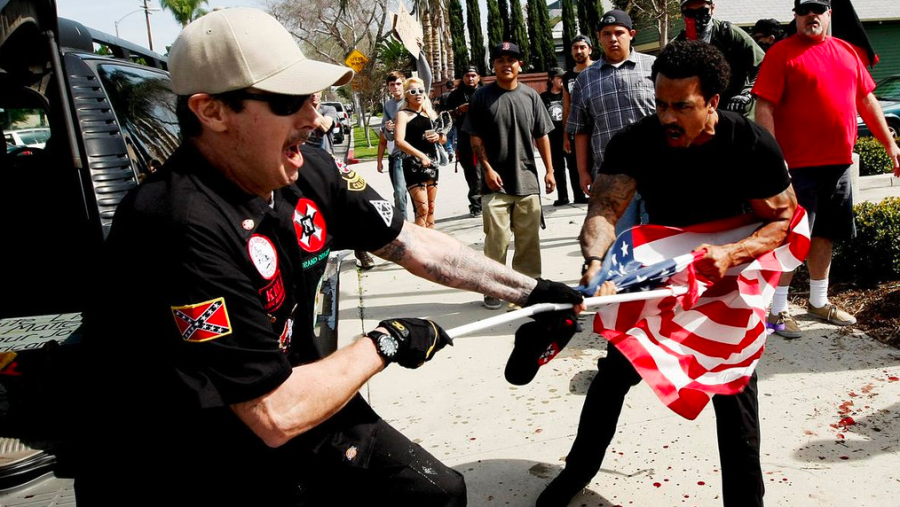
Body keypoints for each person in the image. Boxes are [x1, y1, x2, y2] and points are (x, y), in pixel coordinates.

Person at [74, 8, 584, 505]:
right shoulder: (179, 223)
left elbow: (410, 242)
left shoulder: (308, 171)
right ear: (212, 111)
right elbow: (274, 415)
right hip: (183, 452)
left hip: (286, 386)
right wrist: (384, 342)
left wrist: (531, 292)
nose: (314, 118)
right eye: (288, 100)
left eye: (312, 97)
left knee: (436, 492)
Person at [538, 40, 797, 507]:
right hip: (662, 273)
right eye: (660, 104)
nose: (667, 117)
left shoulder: (750, 143)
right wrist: (596, 263)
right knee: (616, 372)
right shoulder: (637, 140)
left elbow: (784, 219)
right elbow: (604, 207)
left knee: (734, 392)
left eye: (682, 106)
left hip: (731, 280)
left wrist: (733, 252)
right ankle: (576, 473)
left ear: (713, 102)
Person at [753, 0, 900, 338]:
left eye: (818, 8)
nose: (811, 15)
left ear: (829, 13)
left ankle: (819, 302)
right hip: (796, 169)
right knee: (791, 239)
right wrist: (774, 160)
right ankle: (777, 310)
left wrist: (890, 144)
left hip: (838, 164)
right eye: (804, 9)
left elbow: (866, 100)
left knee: (825, 235)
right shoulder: (781, 53)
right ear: (796, 15)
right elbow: (765, 107)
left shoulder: (846, 51)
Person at [463, 42, 555, 310]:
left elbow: (542, 135)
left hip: (527, 180)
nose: (506, 64)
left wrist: (549, 170)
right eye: (500, 59)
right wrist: (486, 168)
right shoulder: (481, 97)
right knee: (497, 239)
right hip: (495, 183)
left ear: (519, 65)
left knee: (528, 241)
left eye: (511, 59)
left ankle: (527, 288)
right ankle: (493, 289)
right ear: (493, 65)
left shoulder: (531, 96)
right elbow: (475, 136)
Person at [567, 10, 655, 235]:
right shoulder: (585, 79)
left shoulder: (655, 68)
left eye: (619, 32)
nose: (613, 39)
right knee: (619, 243)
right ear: (599, 38)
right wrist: (583, 171)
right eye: (606, 34)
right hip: (609, 176)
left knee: (656, 242)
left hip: (654, 171)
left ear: (632, 34)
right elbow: (581, 129)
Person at [675, 0, 765, 118]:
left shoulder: (728, 33)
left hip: (736, 112)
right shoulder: (679, 45)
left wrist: (747, 93)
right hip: (700, 116)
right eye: (690, 12)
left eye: (703, 10)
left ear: (712, 8)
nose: (697, 16)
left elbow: (763, 63)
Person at [395, 77, 444, 229]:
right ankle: (417, 247)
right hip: (413, 164)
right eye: (413, 91)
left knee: (431, 208)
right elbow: (399, 141)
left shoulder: (430, 114)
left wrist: (438, 137)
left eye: (421, 91)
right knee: (422, 209)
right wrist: (420, 155)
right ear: (406, 95)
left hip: (431, 163)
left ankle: (431, 244)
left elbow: (443, 138)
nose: (418, 94)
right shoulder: (402, 114)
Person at [445, 66, 483, 217]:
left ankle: (484, 202)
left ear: (479, 77)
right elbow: (444, 116)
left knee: (485, 173)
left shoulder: (486, 92)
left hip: (486, 139)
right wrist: (459, 110)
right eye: (467, 75)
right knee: (472, 173)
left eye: (473, 75)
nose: (471, 78)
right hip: (464, 139)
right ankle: (476, 204)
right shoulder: (455, 95)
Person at [561, 34, 593, 204]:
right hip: (578, 131)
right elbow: (566, 108)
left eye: (582, 47)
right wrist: (565, 136)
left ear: (590, 49)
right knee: (577, 166)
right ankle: (580, 196)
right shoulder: (567, 77)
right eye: (575, 48)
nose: (579, 51)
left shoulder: (599, 69)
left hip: (598, 128)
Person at [376, 71, 410, 220]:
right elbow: (386, 135)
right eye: (392, 84)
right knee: (399, 191)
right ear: (388, 87)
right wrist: (388, 128)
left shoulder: (412, 99)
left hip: (416, 152)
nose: (395, 87)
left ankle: (422, 225)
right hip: (397, 155)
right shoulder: (388, 106)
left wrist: (420, 54)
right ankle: (404, 224)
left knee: (418, 193)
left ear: (404, 84)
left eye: (398, 83)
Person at [541, 67, 569, 207]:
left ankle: (579, 194)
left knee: (574, 167)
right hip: (552, 138)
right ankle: (563, 197)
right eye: (559, 77)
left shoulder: (568, 94)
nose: (562, 80)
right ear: (551, 80)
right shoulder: (543, 97)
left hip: (568, 136)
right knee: (558, 168)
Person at [306, 90, 339, 154]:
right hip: (305, 156)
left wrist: (309, 106)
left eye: (317, 91)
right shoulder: (301, 112)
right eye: (311, 92)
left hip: (323, 156)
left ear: (321, 93)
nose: (314, 95)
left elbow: (325, 126)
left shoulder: (329, 109)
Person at [440, 78, 457, 162]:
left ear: (446, 87)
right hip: (457, 117)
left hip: (447, 118)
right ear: (454, 86)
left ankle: (450, 151)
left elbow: (441, 109)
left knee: (448, 137)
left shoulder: (443, 96)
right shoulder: (458, 94)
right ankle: (457, 152)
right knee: (457, 136)